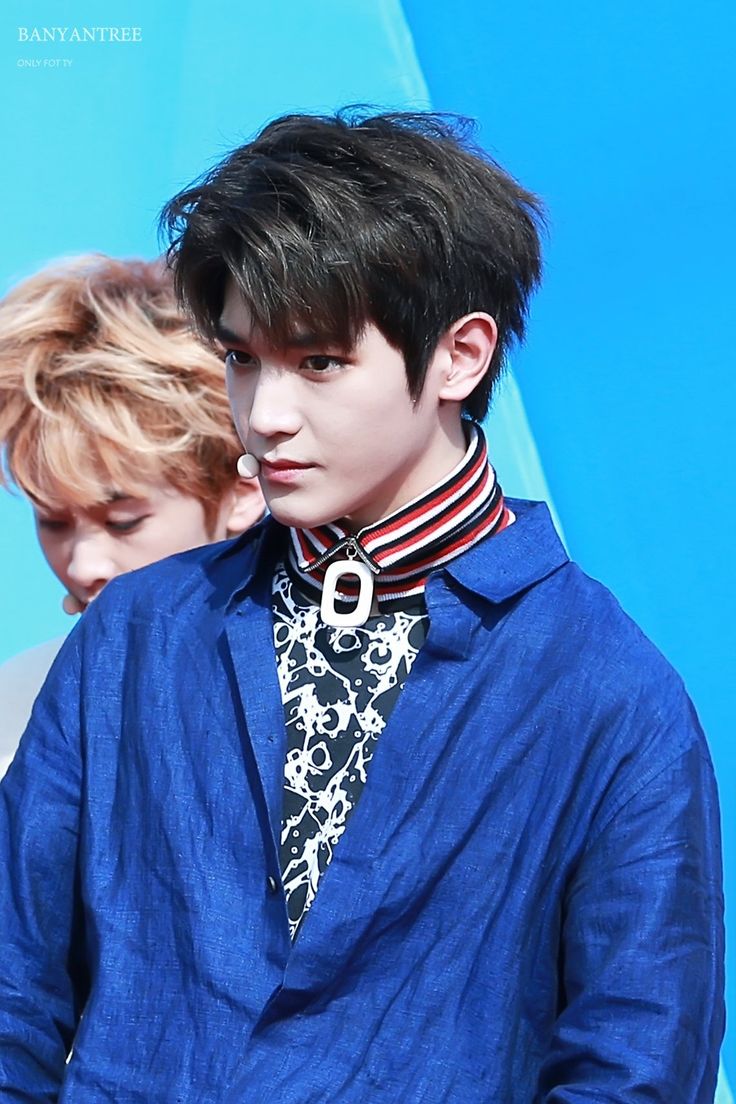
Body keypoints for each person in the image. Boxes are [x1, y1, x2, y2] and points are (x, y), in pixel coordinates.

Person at [0, 112, 724, 1101]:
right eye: (243, 359)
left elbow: (635, 1064)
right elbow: (12, 992)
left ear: (461, 356)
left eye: (319, 363)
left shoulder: (607, 692)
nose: (265, 415)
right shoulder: (137, 633)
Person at [0, 255, 265, 775]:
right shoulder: (17, 706)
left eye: (123, 521)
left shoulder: (315, 689)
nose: (82, 566)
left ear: (241, 492)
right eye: (52, 521)